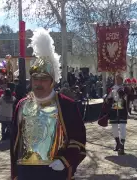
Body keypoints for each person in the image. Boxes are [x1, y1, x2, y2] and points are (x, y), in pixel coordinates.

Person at [10, 28, 86, 180]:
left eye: (44, 79)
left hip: (55, 171)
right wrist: (15, 173)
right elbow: (14, 143)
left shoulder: (66, 105)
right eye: (35, 79)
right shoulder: (22, 105)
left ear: (52, 81)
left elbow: (78, 140)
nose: (39, 83)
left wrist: (65, 161)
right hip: (26, 172)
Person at [100, 73, 130, 155]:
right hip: (113, 111)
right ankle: (117, 143)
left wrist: (121, 92)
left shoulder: (125, 88)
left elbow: (127, 97)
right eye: (116, 79)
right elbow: (107, 100)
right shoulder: (111, 88)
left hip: (122, 111)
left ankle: (122, 146)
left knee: (123, 128)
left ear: (122, 79)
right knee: (114, 128)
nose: (117, 80)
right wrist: (107, 97)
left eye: (119, 79)